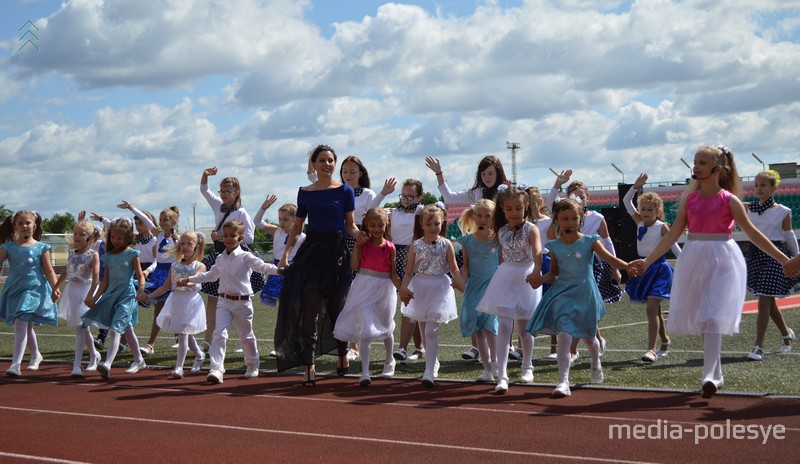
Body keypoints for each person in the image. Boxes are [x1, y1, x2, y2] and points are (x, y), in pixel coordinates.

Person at [630, 146, 790, 398]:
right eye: (695, 162)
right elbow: (673, 234)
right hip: (694, 257)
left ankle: (709, 374)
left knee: (713, 315)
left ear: (718, 168)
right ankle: (715, 374)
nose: (696, 166)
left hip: (723, 258)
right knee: (705, 318)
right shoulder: (689, 200)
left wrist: (784, 259)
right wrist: (647, 261)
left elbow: (753, 234)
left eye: (702, 163)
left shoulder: (729, 200)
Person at [274, 144, 360, 386]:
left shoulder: (345, 191)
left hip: (338, 253)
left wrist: (363, 236)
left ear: (335, 164)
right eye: (321, 160)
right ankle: (309, 363)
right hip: (312, 253)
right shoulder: (305, 192)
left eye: (331, 160)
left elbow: (350, 226)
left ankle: (343, 354)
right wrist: (285, 255)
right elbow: (297, 228)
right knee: (309, 309)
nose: (327, 164)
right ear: (314, 164)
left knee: (336, 310)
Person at [527, 199, 629, 398]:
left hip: (585, 294)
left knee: (590, 338)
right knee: (564, 335)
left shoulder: (591, 240)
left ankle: (595, 363)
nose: (570, 222)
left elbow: (610, 259)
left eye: (574, 218)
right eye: (565, 219)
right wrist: (540, 280)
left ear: (581, 219)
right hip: (563, 293)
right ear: (557, 220)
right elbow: (554, 272)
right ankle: (563, 381)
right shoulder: (554, 246)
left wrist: (627, 266)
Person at [425, 154, 509, 361]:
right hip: (477, 244)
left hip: (498, 242)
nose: (487, 177)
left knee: (499, 304)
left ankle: (505, 344)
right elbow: (450, 198)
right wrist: (439, 174)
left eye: (491, 173)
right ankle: (476, 347)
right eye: (484, 173)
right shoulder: (476, 193)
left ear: (498, 173)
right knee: (474, 303)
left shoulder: (506, 191)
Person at [179, 220, 278, 384]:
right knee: (219, 334)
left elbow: (263, 267)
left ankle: (252, 363)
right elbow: (210, 276)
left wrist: (280, 270)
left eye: (233, 235)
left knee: (245, 336)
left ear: (241, 237)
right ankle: (217, 369)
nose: (228, 238)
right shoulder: (220, 258)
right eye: (225, 235)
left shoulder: (246, 256)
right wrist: (190, 279)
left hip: (242, 302)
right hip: (223, 301)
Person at [475, 185, 542, 394]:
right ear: (503, 210)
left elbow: (538, 252)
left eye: (518, 208)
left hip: (526, 277)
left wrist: (537, 272)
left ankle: (527, 366)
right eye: (509, 209)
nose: (514, 213)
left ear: (526, 208)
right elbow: (503, 257)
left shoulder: (532, 229)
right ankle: (502, 374)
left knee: (524, 327)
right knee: (504, 325)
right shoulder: (502, 231)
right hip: (505, 277)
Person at [547, 172, 619, 361]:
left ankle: (574, 349)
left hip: (589, 265)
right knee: (576, 308)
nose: (578, 198)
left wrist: (615, 267)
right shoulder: (564, 215)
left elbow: (607, 243)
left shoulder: (596, 218)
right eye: (573, 195)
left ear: (588, 198)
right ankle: (595, 340)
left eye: (582, 195)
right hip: (567, 264)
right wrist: (557, 184)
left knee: (584, 306)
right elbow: (549, 204)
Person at [333, 208, 401, 386]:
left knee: (386, 326)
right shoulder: (362, 243)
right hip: (363, 287)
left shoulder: (390, 247)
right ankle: (365, 371)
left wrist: (403, 291)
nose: (377, 228)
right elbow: (354, 266)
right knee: (366, 329)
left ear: (386, 225)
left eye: (381, 225)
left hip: (384, 289)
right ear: (366, 225)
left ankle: (389, 360)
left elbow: (393, 274)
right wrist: (357, 246)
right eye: (373, 225)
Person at [400, 204, 465, 387]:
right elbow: (408, 271)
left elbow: (454, 268)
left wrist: (460, 282)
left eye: (436, 223)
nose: (433, 227)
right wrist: (404, 288)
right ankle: (433, 362)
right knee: (423, 328)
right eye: (429, 223)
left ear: (442, 222)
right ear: (422, 224)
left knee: (431, 330)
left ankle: (429, 371)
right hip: (420, 287)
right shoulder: (416, 245)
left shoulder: (446, 244)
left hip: (439, 288)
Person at [198, 168, 259, 353]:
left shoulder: (242, 213)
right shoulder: (218, 205)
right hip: (218, 255)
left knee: (239, 299)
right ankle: (208, 341)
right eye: (222, 191)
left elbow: (250, 237)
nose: (224, 195)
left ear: (236, 192)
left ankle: (244, 341)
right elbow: (204, 190)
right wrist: (206, 175)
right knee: (213, 299)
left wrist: (227, 236)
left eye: (228, 191)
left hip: (237, 256)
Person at [622, 174, 681, 363]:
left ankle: (651, 349)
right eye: (643, 209)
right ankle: (664, 340)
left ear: (658, 210)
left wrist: (685, 264)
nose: (645, 212)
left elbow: (674, 246)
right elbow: (625, 201)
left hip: (660, 269)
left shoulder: (661, 226)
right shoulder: (639, 222)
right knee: (654, 310)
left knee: (652, 307)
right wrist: (635, 186)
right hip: (643, 269)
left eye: (650, 209)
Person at [82, 218, 148, 381]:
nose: (116, 241)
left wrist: (141, 289)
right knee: (128, 329)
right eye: (113, 237)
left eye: (120, 238)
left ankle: (108, 363)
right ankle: (139, 360)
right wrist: (94, 298)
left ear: (127, 238)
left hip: (127, 296)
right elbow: (105, 281)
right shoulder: (109, 256)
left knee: (116, 328)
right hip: (112, 295)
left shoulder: (133, 254)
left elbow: (140, 276)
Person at [371, 178, 427, 363]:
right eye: (403, 195)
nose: (406, 200)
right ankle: (419, 348)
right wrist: (383, 193)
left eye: (411, 196)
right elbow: (369, 211)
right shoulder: (393, 212)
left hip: (414, 256)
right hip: (394, 256)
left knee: (409, 302)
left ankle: (404, 348)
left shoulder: (421, 212)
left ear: (419, 197)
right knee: (407, 303)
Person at [744, 170, 798, 360]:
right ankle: (786, 334)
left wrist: (797, 258)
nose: (758, 188)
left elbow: (789, 236)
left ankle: (758, 346)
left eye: (763, 185)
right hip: (756, 255)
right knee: (768, 299)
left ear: (774, 188)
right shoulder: (748, 207)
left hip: (776, 256)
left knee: (764, 299)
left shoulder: (783, 211)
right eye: (756, 185)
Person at [0, 210, 59, 377]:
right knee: (26, 325)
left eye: (28, 223)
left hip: (34, 289)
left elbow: (48, 271)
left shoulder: (41, 247)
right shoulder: (8, 247)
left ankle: (15, 364)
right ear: (14, 227)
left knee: (21, 322)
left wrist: (55, 288)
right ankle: (36, 355)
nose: (25, 226)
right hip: (14, 288)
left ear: (34, 225)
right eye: (20, 223)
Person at [117, 201, 180, 356]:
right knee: (133, 299)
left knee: (161, 310)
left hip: (171, 275)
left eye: (166, 219)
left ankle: (151, 344)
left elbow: (180, 258)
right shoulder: (158, 235)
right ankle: (124, 341)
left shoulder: (177, 238)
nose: (162, 222)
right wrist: (132, 208)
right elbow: (157, 260)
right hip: (157, 273)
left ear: (174, 222)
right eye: (161, 219)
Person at [144, 231, 208, 379]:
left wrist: (187, 281)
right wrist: (148, 296)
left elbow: (197, 279)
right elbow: (165, 287)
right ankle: (199, 354)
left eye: (189, 243)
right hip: (176, 300)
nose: (185, 246)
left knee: (184, 332)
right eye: (182, 243)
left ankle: (179, 367)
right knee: (182, 332)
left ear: (197, 247)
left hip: (191, 301)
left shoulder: (200, 265)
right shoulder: (174, 266)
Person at [457, 199, 500, 381]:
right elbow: (466, 267)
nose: (482, 219)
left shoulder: (499, 239)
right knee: (479, 329)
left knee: (491, 327)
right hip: (474, 287)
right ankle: (487, 368)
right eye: (479, 215)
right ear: (474, 216)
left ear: (493, 217)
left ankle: (497, 365)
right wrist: (460, 279)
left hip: (493, 287)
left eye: (487, 216)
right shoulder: (468, 241)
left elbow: (502, 264)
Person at [52, 219, 102, 377]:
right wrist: (56, 286)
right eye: (75, 234)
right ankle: (94, 355)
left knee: (80, 328)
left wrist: (90, 295)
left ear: (89, 237)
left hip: (85, 291)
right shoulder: (71, 253)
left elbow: (96, 278)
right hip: (72, 291)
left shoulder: (93, 255)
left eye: (82, 234)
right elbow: (67, 272)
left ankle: (77, 365)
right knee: (81, 326)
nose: (77, 237)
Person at [254, 198, 305, 308]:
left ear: (295, 219)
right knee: (282, 303)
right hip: (277, 269)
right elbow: (257, 222)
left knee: (293, 302)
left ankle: (294, 323)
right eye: (280, 219)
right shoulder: (277, 231)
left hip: (293, 269)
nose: (281, 222)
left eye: (285, 219)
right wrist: (263, 208)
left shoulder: (302, 237)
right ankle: (284, 323)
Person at [527, 186, 556, 360]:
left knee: (550, 303)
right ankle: (525, 347)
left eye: (533, 202)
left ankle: (554, 347)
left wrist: (554, 266)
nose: (530, 206)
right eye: (527, 202)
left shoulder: (547, 222)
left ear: (540, 202)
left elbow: (552, 245)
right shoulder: (525, 224)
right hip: (528, 263)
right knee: (528, 305)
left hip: (544, 262)